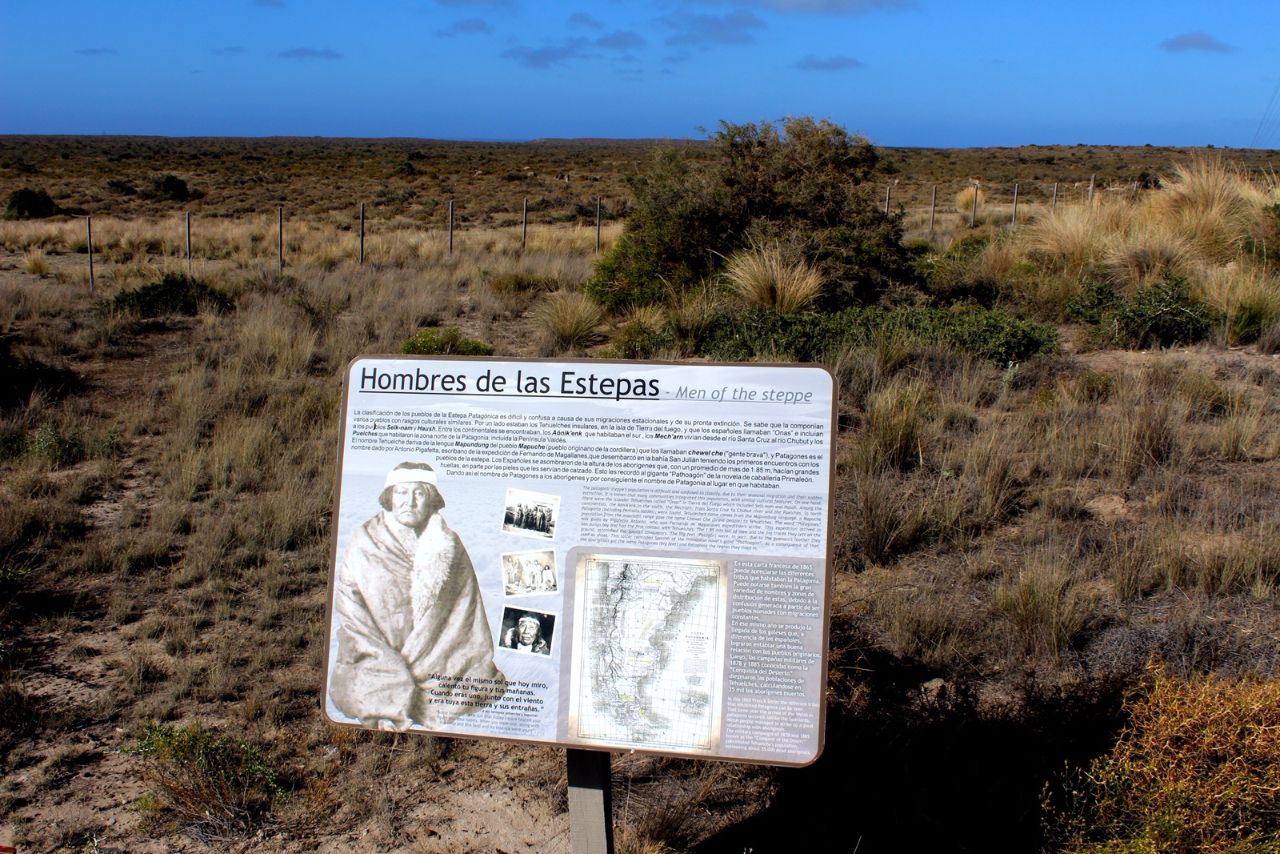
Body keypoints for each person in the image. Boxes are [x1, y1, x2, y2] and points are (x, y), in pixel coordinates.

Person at [329, 462, 504, 730]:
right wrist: (386, 662)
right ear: (389, 496)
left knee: (476, 684)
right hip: (376, 659)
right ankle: (391, 686)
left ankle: (419, 684)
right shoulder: (364, 542)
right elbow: (351, 611)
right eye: (401, 493)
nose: (408, 502)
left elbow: (466, 610)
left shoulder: (449, 543)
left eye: (419, 493)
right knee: (363, 688)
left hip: (440, 659)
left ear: (431, 499)